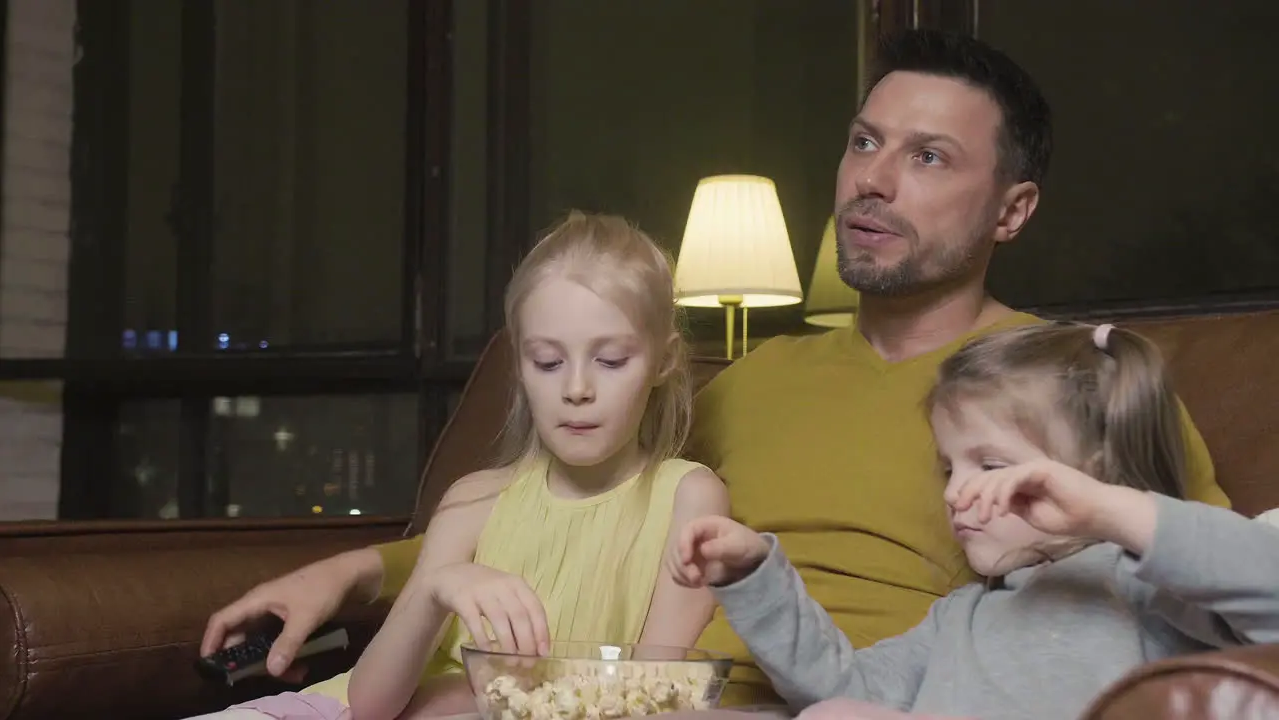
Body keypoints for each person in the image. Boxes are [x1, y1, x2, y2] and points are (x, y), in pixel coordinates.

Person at [199, 28, 1232, 709]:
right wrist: (349, 571)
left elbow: (1206, 584)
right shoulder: (747, 382)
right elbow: (560, 504)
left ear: (1012, 209)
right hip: (653, 689)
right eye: (864, 141)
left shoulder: (1065, 384)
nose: (871, 179)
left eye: (927, 157)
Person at [189, 212, 729, 720]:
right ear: (519, 367)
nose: (577, 389)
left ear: (664, 361)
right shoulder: (475, 500)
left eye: (611, 360)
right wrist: (436, 587)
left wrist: (457, 693)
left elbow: (651, 698)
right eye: (547, 362)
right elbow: (370, 703)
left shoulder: (690, 498)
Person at [670, 321, 1279, 720]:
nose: (958, 493)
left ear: (1094, 470)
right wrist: (754, 575)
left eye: (989, 465)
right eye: (948, 469)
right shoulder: (962, 616)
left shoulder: (1147, 587)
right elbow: (842, 686)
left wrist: (1109, 509)